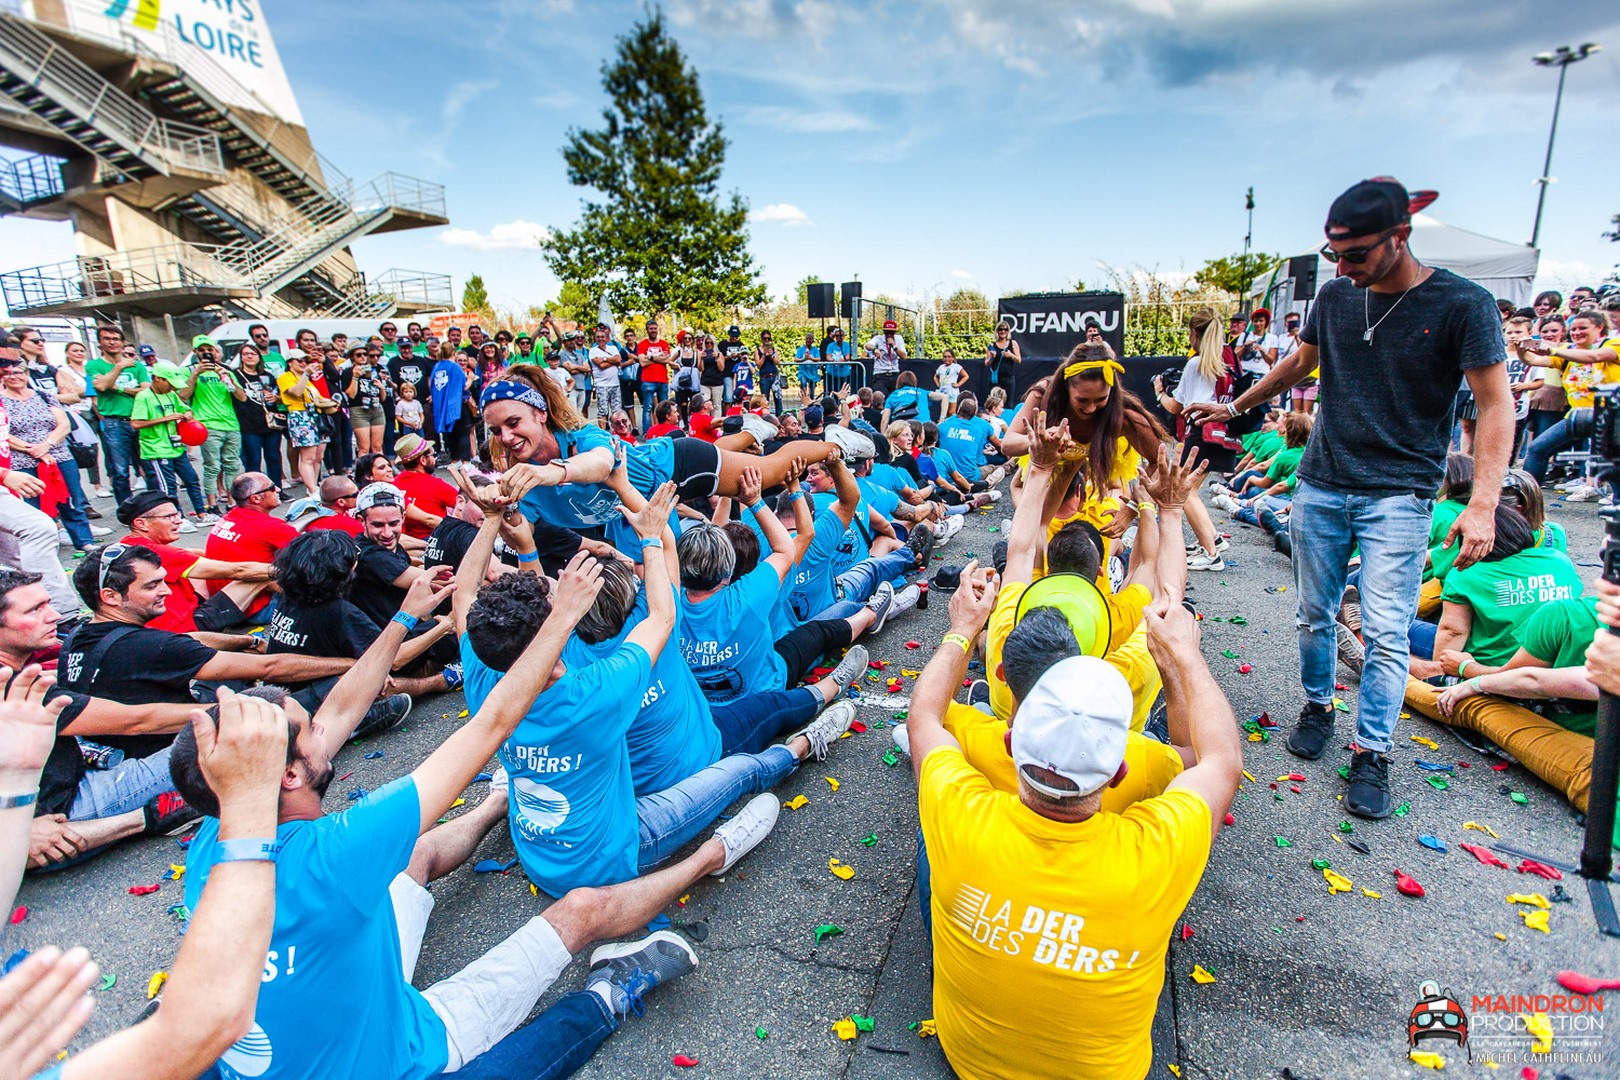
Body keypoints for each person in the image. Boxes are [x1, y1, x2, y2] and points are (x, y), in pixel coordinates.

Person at [173, 561, 704, 1080]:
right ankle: (608, 993)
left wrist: (403, 619)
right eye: (309, 730)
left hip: (350, 991)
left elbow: (339, 712)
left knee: (416, 855)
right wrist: (562, 617)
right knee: (576, 919)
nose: (322, 728)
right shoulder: (336, 853)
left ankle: (494, 805)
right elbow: (493, 723)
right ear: (290, 775)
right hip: (402, 1053)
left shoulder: (217, 836)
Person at [1182, 177, 1512, 819]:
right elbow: (1297, 365)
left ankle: (1372, 752)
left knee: (1386, 632)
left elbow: (1497, 404)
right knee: (1314, 613)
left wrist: (1483, 502)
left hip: (1400, 494)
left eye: (1356, 253)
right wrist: (1234, 406)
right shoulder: (1335, 296)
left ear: (1400, 237)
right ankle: (1318, 706)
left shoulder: (1462, 303)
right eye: (1334, 253)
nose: (1342, 266)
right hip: (1323, 483)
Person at [905, 561, 1240, 1078]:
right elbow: (1216, 760)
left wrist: (964, 628)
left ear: (1011, 741)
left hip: (967, 1059)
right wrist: (1183, 658)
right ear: (1119, 769)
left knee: (931, 839)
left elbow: (924, 716)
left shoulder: (960, 811)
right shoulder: (1157, 848)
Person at [485, 370, 861, 557]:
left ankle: (834, 441)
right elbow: (521, 537)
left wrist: (552, 472)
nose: (506, 437)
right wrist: (496, 512)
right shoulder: (521, 481)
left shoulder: (582, 438)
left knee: (770, 473)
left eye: (513, 422)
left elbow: (602, 463)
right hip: (638, 509)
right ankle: (751, 431)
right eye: (496, 430)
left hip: (675, 467)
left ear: (540, 413)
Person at [0, 570, 199, 870]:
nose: (54, 616)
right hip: (63, 809)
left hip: (56, 786)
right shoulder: (14, 687)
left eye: (48, 604)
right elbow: (138, 721)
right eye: (34, 610)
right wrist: (227, 710)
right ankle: (148, 817)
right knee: (215, 738)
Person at [117, 492, 274, 635]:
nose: (178, 521)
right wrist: (284, 569)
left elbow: (191, 554)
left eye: (177, 515)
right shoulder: (157, 552)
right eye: (169, 517)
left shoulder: (130, 544)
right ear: (141, 524)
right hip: (187, 628)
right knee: (259, 575)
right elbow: (238, 570)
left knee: (200, 573)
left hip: (158, 624)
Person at [1, 352, 98, 551]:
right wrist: (34, 450)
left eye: (19, 372)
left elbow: (64, 424)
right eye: (9, 373)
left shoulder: (44, 396)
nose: (13, 376)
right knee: (31, 505)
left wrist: (47, 445)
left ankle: (84, 541)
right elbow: (4, 433)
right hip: (22, 460)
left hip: (58, 455)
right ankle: (41, 547)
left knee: (71, 500)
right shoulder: (2, 402)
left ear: (27, 374)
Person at [1516, 310, 1620, 488]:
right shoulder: (1568, 352)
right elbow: (1533, 360)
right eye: (1574, 329)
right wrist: (1521, 350)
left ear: (1600, 327)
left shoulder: (1613, 344)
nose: (1577, 332)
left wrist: (1553, 350)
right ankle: (1527, 496)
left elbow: (1595, 356)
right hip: (1578, 416)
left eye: (1583, 328)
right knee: (1537, 449)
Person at [131, 363, 214, 528]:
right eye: (169, 383)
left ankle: (201, 513)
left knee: (191, 478)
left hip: (176, 446)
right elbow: (136, 423)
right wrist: (166, 418)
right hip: (156, 449)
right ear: (158, 379)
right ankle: (176, 519)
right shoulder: (144, 397)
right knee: (167, 486)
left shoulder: (171, 395)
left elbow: (186, 408)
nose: (172, 387)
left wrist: (188, 414)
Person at [179, 336, 246, 516]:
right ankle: (211, 503)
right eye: (202, 350)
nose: (206, 353)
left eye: (209, 350)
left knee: (232, 465)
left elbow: (242, 397)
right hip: (208, 425)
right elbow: (183, 395)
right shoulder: (188, 371)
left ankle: (232, 502)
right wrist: (195, 374)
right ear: (195, 352)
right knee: (212, 466)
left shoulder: (225, 371)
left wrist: (228, 379)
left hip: (230, 424)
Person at [86, 323, 148, 506]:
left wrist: (117, 387)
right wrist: (119, 367)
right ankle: (126, 509)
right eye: (107, 339)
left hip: (140, 419)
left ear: (122, 342)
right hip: (114, 422)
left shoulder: (137, 366)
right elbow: (101, 386)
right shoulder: (94, 365)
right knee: (120, 470)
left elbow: (145, 391)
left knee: (149, 466)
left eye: (115, 339)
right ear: (100, 343)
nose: (112, 342)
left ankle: (155, 507)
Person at [230, 343, 287, 495]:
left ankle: (276, 489)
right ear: (241, 358)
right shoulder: (235, 375)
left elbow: (281, 396)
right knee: (253, 460)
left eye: (253, 354)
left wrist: (275, 398)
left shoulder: (267, 375)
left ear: (259, 357)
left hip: (270, 423)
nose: (249, 356)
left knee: (274, 458)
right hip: (248, 424)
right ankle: (254, 492)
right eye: (246, 354)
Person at [277, 350, 327, 494]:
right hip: (300, 415)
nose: (303, 363)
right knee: (308, 457)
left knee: (318, 457)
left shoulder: (308, 380)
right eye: (299, 360)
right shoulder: (285, 377)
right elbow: (296, 392)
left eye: (305, 360)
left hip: (315, 415)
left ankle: (314, 486)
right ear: (290, 363)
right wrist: (306, 374)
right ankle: (312, 489)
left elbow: (317, 398)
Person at [392, 433, 460, 540]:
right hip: (436, 540)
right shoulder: (436, 485)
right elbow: (463, 505)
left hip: (406, 542)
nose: (434, 459)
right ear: (423, 460)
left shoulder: (394, 484)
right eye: (433, 455)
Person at [637, 319, 672, 426]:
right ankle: (647, 432)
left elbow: (667, 360)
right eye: (651, 329)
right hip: (648, 380)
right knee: (647, 407)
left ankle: (664, 429)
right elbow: (642, 362)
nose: (653, 331)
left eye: (655, 328)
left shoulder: (664, 344)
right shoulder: (642, 344)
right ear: (647, 330)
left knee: (665, 408)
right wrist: (659, 357)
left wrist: (651, 357)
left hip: (662, 380)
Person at [865, 319, 906, 395]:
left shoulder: (899, 339)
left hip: (894, 373)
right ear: (884, 332)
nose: (889, 335)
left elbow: (904, 357)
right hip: (880, 373)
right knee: (881, 396)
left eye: (891, 333)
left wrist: (894, 346)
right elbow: (867, 345)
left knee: (895, 397)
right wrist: (875, 349)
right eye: (887, 333)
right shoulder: (878, 338)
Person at [986, 319, 1021, 396]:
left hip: (1008, 377)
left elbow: (1019, 360)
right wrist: (992, 357)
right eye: (1000, 329)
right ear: (997, 331)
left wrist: (1011, 355)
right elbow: (986, 363)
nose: (1003, 331)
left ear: (1008, 331)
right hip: (995, 378)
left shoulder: (1013, 343)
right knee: (994, 399)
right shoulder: (992, 345)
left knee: (1009, 400)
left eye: (1005, 329)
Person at [795, 330, 822, 404]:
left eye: (810, 339)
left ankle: (811, 402)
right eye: (807, 339)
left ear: (813, 340)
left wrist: (811, 358)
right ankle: (804, 401)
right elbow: (796, 359)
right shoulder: (800, 349)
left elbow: (818, 359)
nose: (808, 340)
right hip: (803, 372)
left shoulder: (815, 350)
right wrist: (803, 359)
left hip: (813, 373)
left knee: (812, 389)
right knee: (803, 384)